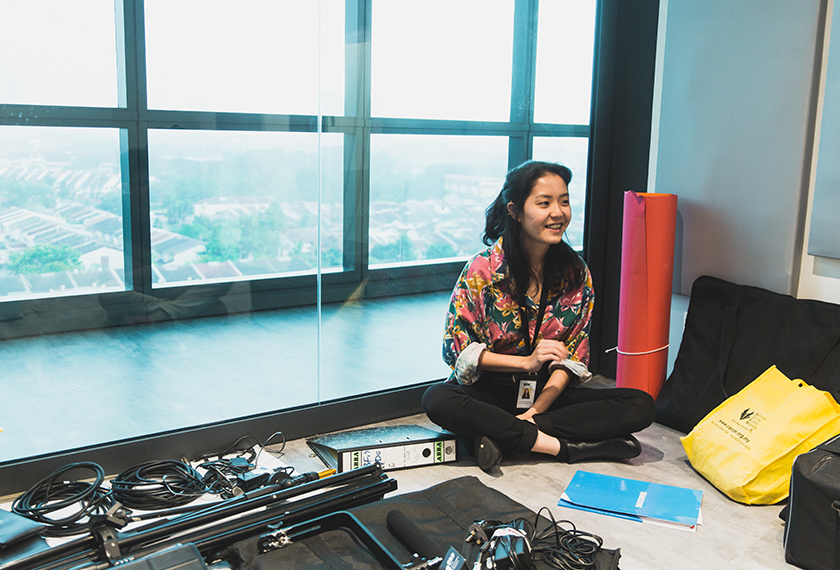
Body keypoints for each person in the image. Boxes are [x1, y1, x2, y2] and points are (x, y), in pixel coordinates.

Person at [422, 160, 656, 472]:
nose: (558, 213)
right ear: (515, 211)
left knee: (640, 405)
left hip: (546, 393)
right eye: (544, 203)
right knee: (437, 398)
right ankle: (559, 447)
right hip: (490, 389)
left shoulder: (576, 273)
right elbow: (457, 351)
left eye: (564, 201)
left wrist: (536, 410)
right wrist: (525, 363)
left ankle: (502, 434)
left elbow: (574, 358)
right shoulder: (483, 270)